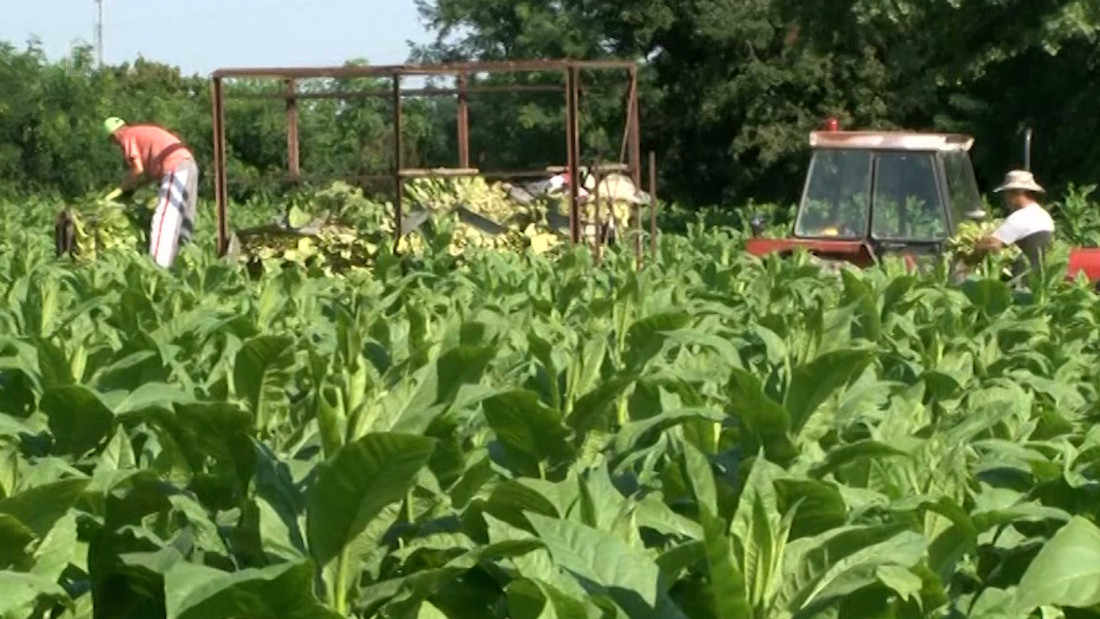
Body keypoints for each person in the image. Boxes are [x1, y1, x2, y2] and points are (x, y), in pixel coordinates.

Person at [103, 117, 198, 268]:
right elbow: (149, 175)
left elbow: (137, 169)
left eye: (113, 142)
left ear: (114, 136)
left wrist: (119, 190)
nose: (117, 146)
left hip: (174, 165)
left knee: (165, 217)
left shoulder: (127, 136)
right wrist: (136, 187)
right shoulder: (141, 132)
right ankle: (186, 263)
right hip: (188, 163)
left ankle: (158, 268)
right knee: (184, 219)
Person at [974, 169, 1054, 272]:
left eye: (1007, 193)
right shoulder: (1044, 215)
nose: (1006, 198)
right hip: (1041, 275)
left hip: (1023, 277)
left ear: (1017, 193)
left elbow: (993, 244)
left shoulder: (1020, 217)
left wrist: (975, 250)